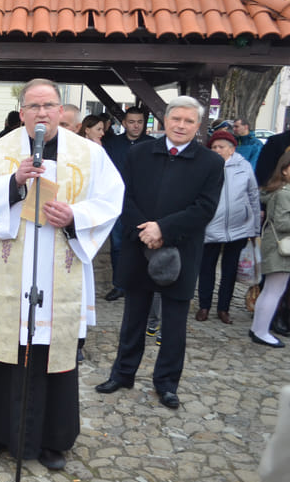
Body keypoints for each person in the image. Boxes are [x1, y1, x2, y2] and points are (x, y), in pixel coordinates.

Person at [0, 78, 123, 470]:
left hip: (59, 270)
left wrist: (75, 216)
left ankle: (54, 440)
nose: (41, 113)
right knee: (2, 352)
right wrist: (13, 183)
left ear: (60, 111)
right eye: (33, 107)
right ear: (22, 113)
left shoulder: (89, 153)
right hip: (10, 269)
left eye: (48, 105)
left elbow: (111, 199)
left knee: (55, 353)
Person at [96, 95, 224, 410]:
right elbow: (122, 196)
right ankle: (123, 373)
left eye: (189, 121)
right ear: (165, 121)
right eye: (176, 119)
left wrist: (163, 230)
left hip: (181, 251)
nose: (181, 125)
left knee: (174, 324)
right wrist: (146, 229)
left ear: (198, 125)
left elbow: (204, 208)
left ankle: (166, 384)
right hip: (139, 246)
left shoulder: (211, 162)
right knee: (133, 318)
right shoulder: (139, 153)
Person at [196, 131, 260, 325]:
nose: (216, 150)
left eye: (221, 147)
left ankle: (224, 308)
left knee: (230, 270)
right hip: (211, 226)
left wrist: (255, 228)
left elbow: (253, 196)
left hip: (239, 227)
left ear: (232, 149)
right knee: (206, 268)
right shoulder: (205, 166)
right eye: (214, 147)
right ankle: (204, 306)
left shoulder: (244, 166)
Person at [102, 106, 155, 301]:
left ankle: (141, 284)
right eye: (131, 122)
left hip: (143, 204)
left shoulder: (153, 145)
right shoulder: (112, 144)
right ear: (124, 123)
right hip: (117, 202)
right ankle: (119, 284)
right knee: (117, 245)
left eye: (139, 122)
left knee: (143, 245)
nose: (136, 126)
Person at [249, 150, 290, 347]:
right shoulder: (286, 192)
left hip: (279, 245)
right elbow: (282, 222)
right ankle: (260, 331)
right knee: (274, 290)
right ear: (284, 170)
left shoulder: (286, 190)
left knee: (272, 289)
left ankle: (258, 329)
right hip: (281, 247)